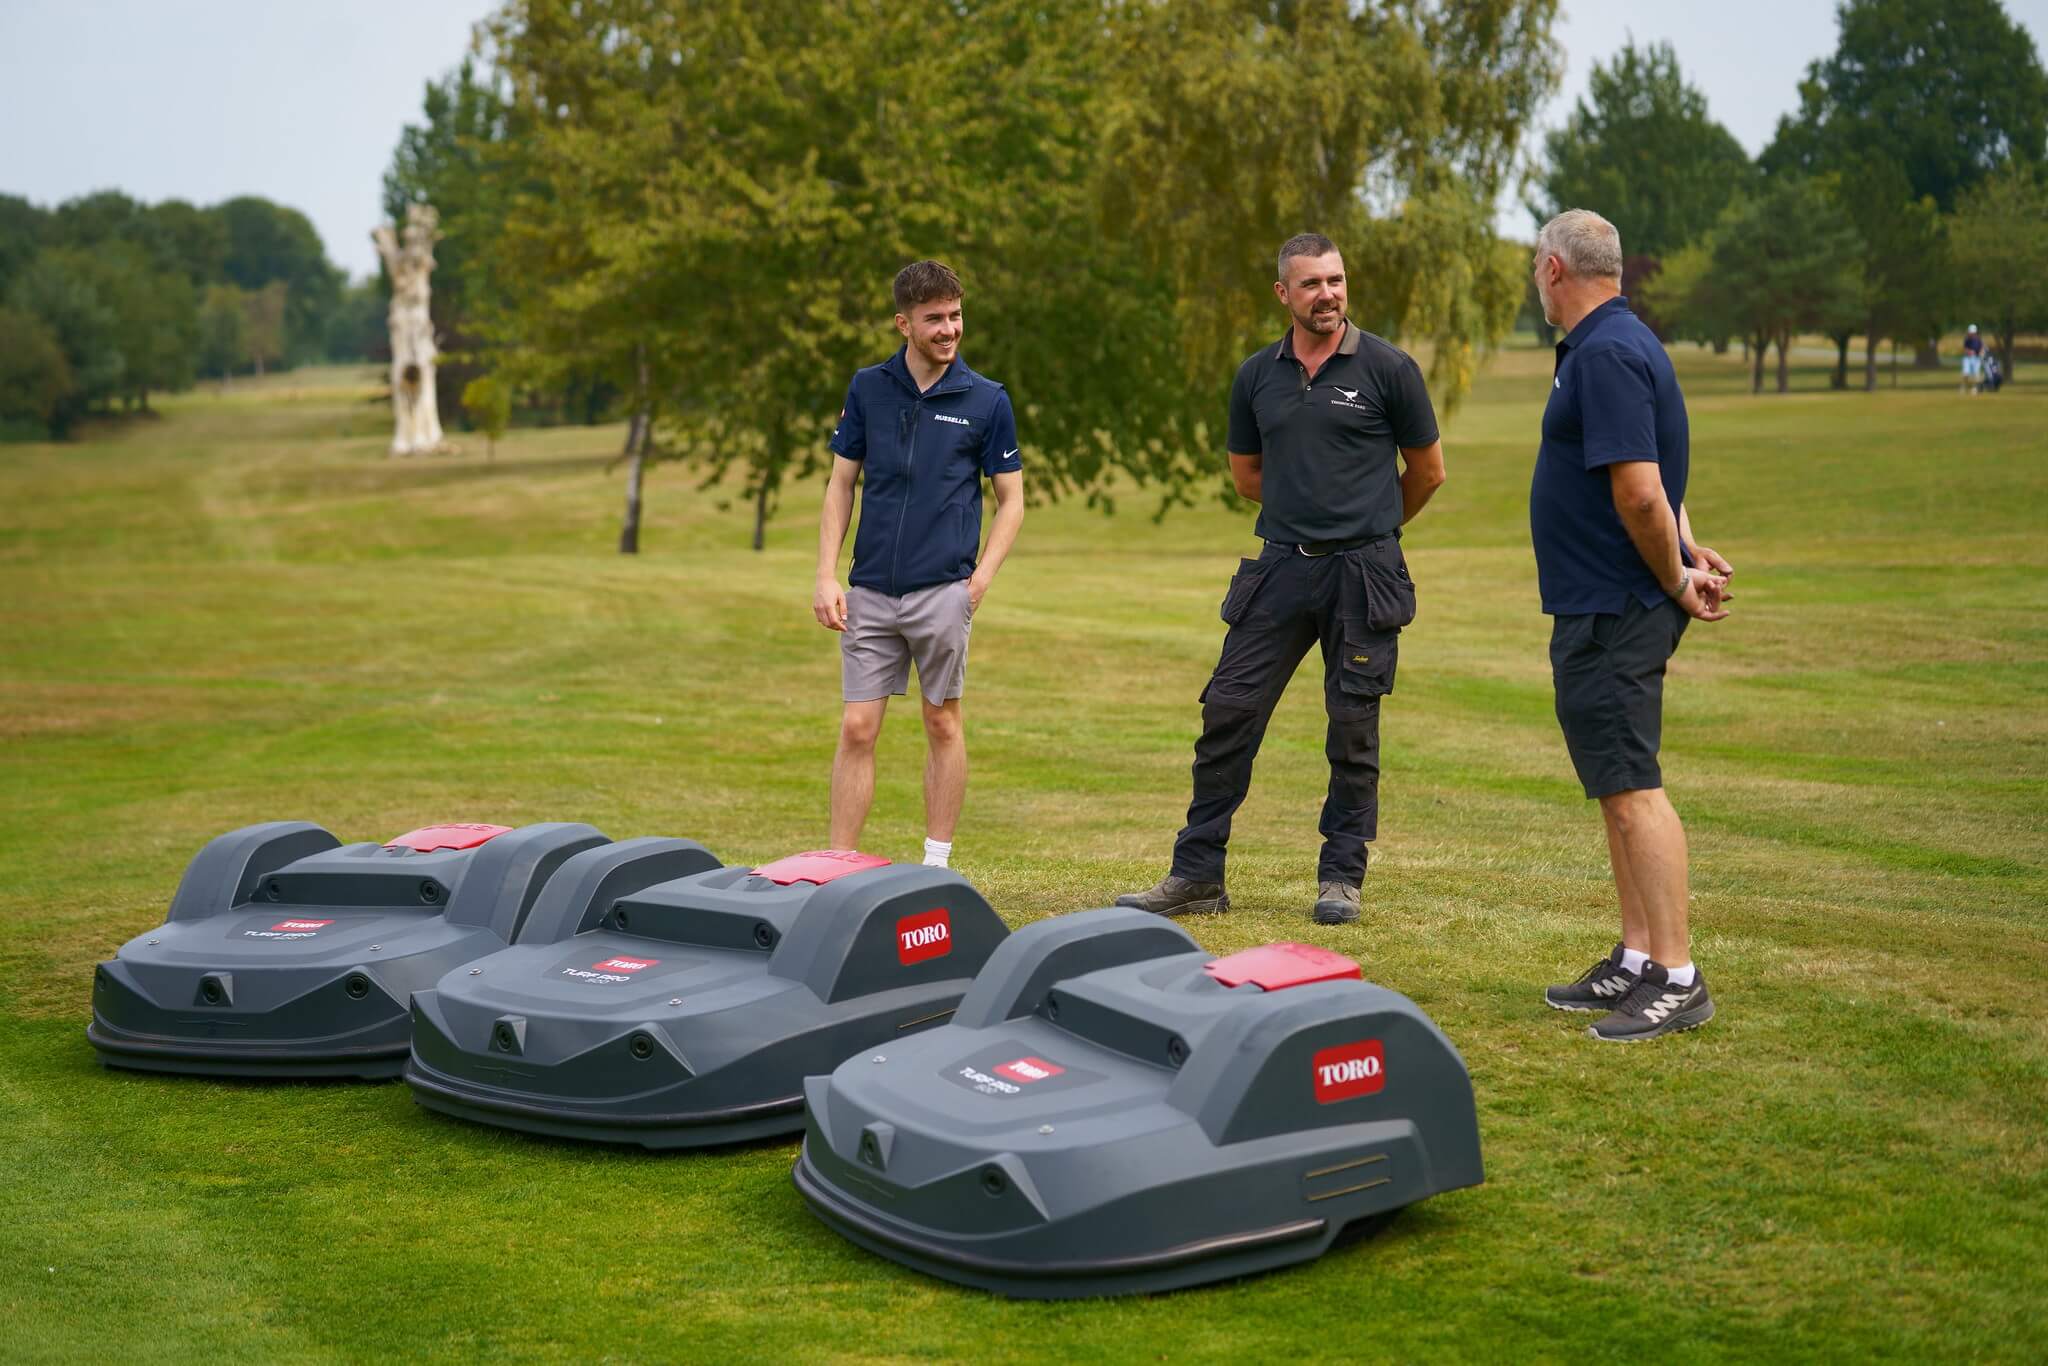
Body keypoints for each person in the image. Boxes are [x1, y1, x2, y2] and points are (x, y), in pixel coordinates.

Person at [1117, 233, 1447, 924]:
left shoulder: (1390, 368)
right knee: (1228, 712)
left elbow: (1427, 471)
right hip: (1280, 567)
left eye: (1336, 280)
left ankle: (1340, 878)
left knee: (1352, 726)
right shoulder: (1255, 376)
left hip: (1365, 573)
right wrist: (1307, 513)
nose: (1327, 294)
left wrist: (1376, 527)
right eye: (1311, 284)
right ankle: (1197, 874)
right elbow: (1248, 477)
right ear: (1283, 294)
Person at [1527, 209, 1732, 1042]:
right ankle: (1640, 959)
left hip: (1617, 605)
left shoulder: (1606, 353)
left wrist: (1674, 574)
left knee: (1634, 787)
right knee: (1615, 788)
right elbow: (1654, 476)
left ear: (1552, 270)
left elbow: (1640, 490)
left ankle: (1677, 977)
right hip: (1601, 601)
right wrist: (1683, 545)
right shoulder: (1616, 343)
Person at [813, 260, 1025, 868]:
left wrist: (977, 582)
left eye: (956, 316)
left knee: (941, 723)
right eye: (934, 319)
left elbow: (1011, 500)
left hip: (944, 590)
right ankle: (837, 865)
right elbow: (840, 484)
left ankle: (936, 863)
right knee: (857, 727)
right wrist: (826, 574)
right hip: (871, 590)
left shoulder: (986, 400)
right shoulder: (867, 389)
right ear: (903, 323)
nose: (949, 329)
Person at [1961, 324, 1985, 395]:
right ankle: (1964, 386)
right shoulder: (1967, 340)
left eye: (1972, 332)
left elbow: (1981, 349)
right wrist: (1969, 352)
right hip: (1967, 358)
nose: (1970, 334)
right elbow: (1965, 349)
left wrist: (1980, 353)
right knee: (1966, 373)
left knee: (1976, 374)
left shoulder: (1979, 340)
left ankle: (1975, 388)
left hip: (1976, 358)